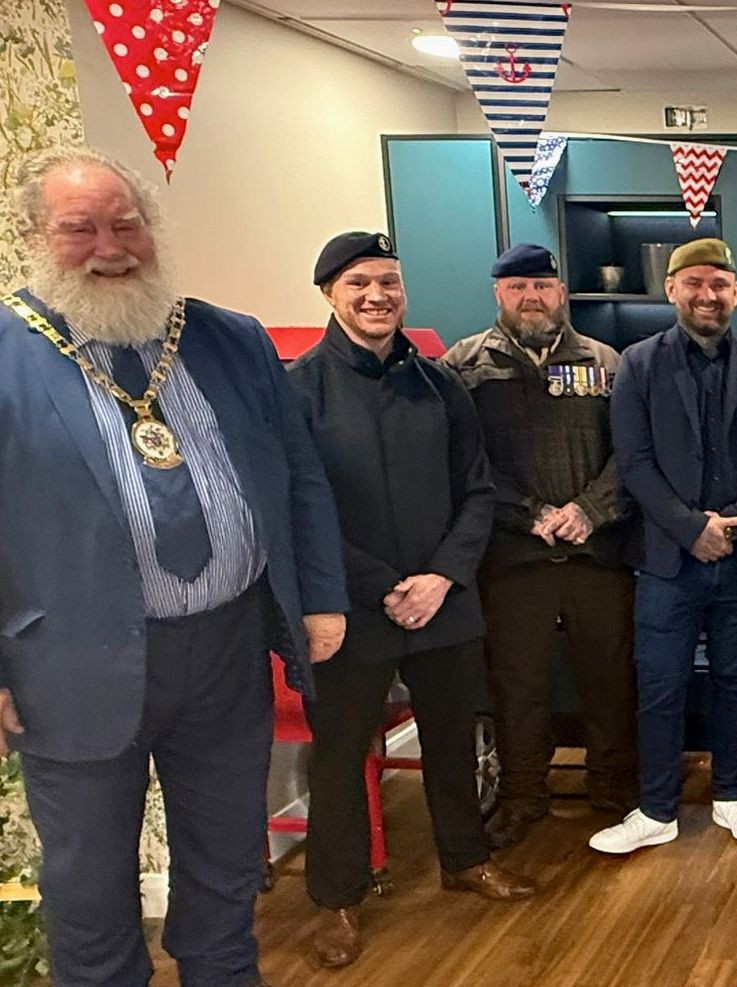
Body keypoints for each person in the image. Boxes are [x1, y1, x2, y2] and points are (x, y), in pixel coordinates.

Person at [0, 146, 347, 986]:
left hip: (226, 651)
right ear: (31, 236)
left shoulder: (230, 340)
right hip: (69, 663)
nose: (111, 245)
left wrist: (321, 595)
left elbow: (297, 474)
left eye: (127, 224)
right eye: (80, 228)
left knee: (227, 867)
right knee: (87, 888)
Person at [289, 232, 536, 970]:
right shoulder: (299, 388)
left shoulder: (439, 384)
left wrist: (439, 577)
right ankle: (336, 897)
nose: (377, 296)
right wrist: (381, 585)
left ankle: (465, 857)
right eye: (360, 282)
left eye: (389, 282)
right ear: (330, 293)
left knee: (454, 738)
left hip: (444, 598)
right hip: (350, 608)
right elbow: (301, 507)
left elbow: (479, 490)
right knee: (338, 756)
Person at [590, 237, 737, 854]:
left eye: (720, 285)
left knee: (736, 680)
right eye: (695, 283)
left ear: (736, 292)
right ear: (673, 289)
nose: (708, 295)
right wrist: (691, 529)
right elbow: (633, 461)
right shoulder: (638, 362)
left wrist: (730, 524)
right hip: (664, 561)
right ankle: (655, 809)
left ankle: (732, 795)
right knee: (660, 683)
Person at [442, 243, 640, 850]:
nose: (533, 297)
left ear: (562, 293)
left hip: (596, 556)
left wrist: (588, 511)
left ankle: (613, 787)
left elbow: (632, 455)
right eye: (518, 287)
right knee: (516, 685)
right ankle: (523, 793)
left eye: (543, 286)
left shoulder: (608, 363)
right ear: (498, 293)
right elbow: (459, 463)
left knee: (609, 679)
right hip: (512, 559)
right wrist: (530, 515)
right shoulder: (464, 366)